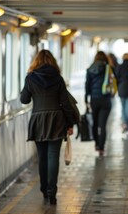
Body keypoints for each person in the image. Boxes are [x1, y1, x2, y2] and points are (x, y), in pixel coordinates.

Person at [20, 49, 75, 205]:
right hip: (56, 120)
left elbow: (24, 100)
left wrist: (26, 88)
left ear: (36, 61)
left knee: (42, 157)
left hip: (38, 119)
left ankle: (44, 189)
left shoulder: (30, 78)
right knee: (53, 156)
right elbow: (65, 103)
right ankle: (52, 192)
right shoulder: (57, 78)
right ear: (52, 61)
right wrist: (70, 123)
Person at [85, 51, 113, 156]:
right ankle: (101, 148)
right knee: (103, 125)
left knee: (95, 123)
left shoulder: (90, 69)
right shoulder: (108, 68)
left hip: (94, 99)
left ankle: (97, 144)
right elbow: (114, 81)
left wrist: (86, 99)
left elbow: (87, 85)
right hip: (106, 99)